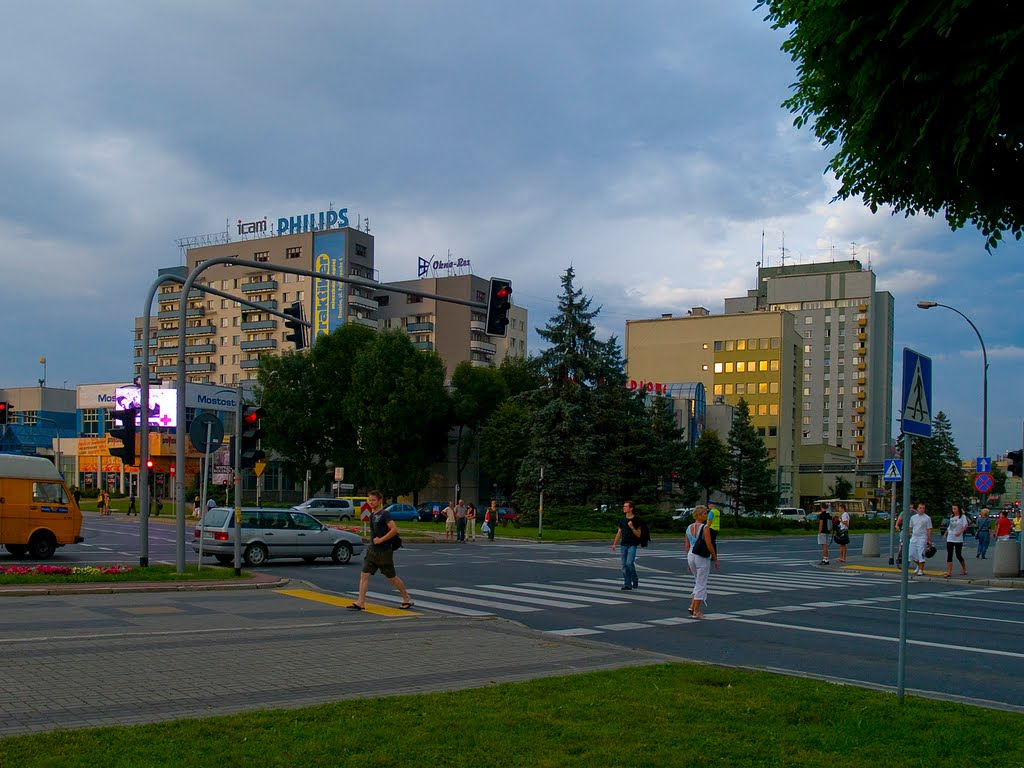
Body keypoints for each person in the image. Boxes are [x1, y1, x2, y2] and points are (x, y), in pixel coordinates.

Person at [348, 490, 414, 611]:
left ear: (379, 501)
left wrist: (381, 539)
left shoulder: (385, 514)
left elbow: (394, 530)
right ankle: (361, 602)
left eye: (373, 500)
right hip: (372, 551)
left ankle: (406, 598)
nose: (371, 502)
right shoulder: (372, 515)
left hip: (384, 552)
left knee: (391, 577)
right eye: (369, 500)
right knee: (364, 574)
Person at [684, 505, 719, 618]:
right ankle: (696, 611)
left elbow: (687, 545)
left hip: (691, 555)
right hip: (701, 557)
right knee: (701, 584)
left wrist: (688, 561)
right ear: (699, 515)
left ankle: (692, 605)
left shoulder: (689, 527)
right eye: (705, 513)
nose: (706, 515)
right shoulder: (705, 528)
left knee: (697, 582)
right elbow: (709, 544)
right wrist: (715, 557)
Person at [611, 500, 642, 591]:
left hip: (632, 544)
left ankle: (635, 579)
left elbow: (639, 534)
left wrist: (632, 527)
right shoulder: (622, 520)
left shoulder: (636, 520)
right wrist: (614, 544)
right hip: (624, 545)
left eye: (626, 506)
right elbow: (619, 532)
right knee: (624, 565)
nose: (624, 508)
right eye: (624, 506)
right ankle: (627, 584)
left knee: (629, 563)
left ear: (631, 508)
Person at [908, 502, 933, 576]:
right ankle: (919, 565)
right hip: (914, 537)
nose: (922, 510)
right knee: (911, 554)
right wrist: (910, 533)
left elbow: (929, 529)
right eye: (920, 508)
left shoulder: (927, 518)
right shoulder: (913, 517)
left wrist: (929, 540)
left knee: (921, 554)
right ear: (917, 509)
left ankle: (921, 570)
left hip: (922, 538)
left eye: (923, 508)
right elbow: (910, 527)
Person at [944, 503, 968, 578]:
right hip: (950, 537)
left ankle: (964, 568)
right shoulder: (952, 516)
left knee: (958, 554)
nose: (953, 510)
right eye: (953, 509)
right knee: (949, 554)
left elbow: (965, 525)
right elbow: (950, 526)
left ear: (958, 509)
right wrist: (945, 533)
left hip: (958, 538)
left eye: (955, 508)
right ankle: (949, 571)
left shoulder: (962, 517)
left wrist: (960, 532)